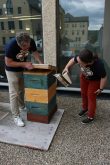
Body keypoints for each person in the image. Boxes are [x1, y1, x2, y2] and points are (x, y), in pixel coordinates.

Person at [5, 32, 43, 127]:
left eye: (28, 45)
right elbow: (8, 63)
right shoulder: (11, 46)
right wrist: (24, 64)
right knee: (14, 93)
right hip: (11, 70)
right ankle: (16, 116)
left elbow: (35, 52)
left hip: (22, 69)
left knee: (22, 89)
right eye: (24, 47)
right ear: (19, 44)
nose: (27, 48)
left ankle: (22, 107)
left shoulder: (30, 41)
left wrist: (42, 64)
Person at [63, 49, 107, 124]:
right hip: (84, 77)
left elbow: (104, 77)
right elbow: (72, 60)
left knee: (91, 96)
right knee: (83, 93)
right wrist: (66, 67)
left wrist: (100, 88)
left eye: (80, 63)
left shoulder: (99, 65)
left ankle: (91, 116)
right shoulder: (81, 57)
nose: (78, 63)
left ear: (88, 63)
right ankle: (85, 108)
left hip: (94, 81)